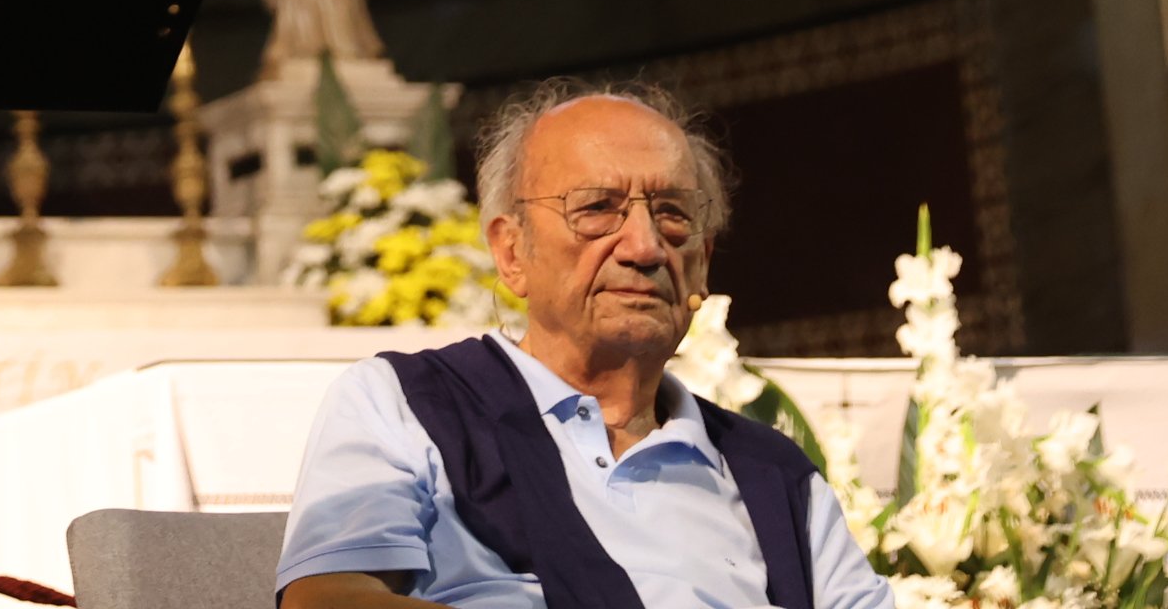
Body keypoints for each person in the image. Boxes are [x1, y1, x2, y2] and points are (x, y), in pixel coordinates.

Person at [276, 82, 893, 609]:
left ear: (702, 266)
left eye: (673, 213)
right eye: (597, 209)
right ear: (512, 252)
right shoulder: (407, 404)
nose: (645, 247)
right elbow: (330, 600)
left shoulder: (774, 475)